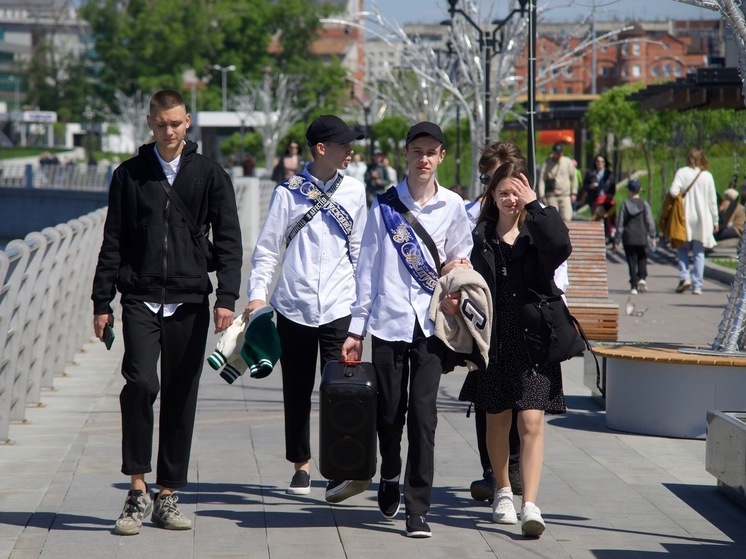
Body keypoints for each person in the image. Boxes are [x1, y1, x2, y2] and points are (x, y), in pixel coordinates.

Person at [91, 89, 243, 536]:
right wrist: (102, 302)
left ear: (188, 121)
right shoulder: (129, 175)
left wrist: (227, 297)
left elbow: (229, 241)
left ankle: (168, 494)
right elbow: (113, 241)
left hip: (190, 299)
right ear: (150, 123)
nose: (169, 131)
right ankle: (137, 490)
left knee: (180, 394)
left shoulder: (210, 175)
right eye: (161, 124)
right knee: (140, 384)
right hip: (139, 297)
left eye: (176, 123)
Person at [337, 121, 473, 538]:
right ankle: (390, 472)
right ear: (406, 155)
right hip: (389, 320)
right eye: (417, 151)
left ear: (441, 157)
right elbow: (367, 270)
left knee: (424, 416)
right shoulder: (384, 206)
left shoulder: (453, 205)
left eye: (431, 152)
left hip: (432, 325)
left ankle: (418, 507)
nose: (424, 159)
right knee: (390, 413)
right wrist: (356, 330)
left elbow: (461, 259)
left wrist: (455, 290)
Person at [245, 115, 368, 498]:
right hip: (293, 304)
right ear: (321, 148)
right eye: (343, 144)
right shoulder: (288, 193)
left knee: (339, 390)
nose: (350, 150)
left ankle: (338, 465)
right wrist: (257, 294)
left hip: (339, 305)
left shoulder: (355, 191)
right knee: (296, 389)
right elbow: (268, 249)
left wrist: (363, 311)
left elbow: (361, 252)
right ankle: (301, 464)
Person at [458, 161, 570, 538]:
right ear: (492, 196)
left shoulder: (536, 232)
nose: (510, 199)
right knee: (497, 420)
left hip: (534, 340)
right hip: (495, 342)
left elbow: (561, 247)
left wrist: (536, 205)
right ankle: (503, 491)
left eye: (517, 193)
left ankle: (530, 504)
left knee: (532, 421)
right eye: (503, 192)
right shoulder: (479, 237)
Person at [670, 147, 718, 295]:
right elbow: (712, 200)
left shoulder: (681, 172)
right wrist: (715, 220)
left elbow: (673, 191)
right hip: (703, 219)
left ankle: (685, 277)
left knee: (682, 248)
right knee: (699, 252)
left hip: (684, 216)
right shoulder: (707, 176)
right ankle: (697, 285)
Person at [614, 179, 656, 295]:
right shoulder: (644, 204)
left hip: (628, 237)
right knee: (642, 257)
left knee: (631, 260)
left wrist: (617, 240)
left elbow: (620, 223)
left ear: (629, 191)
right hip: (641, 236)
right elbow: (649, 221)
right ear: (640, 190)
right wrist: (652, 236)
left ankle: (633, 286)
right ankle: (642, 278)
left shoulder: (625, 204)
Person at [537, 142, 577, 222]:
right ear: (553, 153)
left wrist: (574, 192)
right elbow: (542, 180)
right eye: (557, 153)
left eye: (560, 153)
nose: (559, 155)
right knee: (553, 218)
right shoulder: (547, 163)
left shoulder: (567, 162)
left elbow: (574, 178)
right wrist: (542, 194)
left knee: (567, 217)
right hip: (552, 195)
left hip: (565, 195)